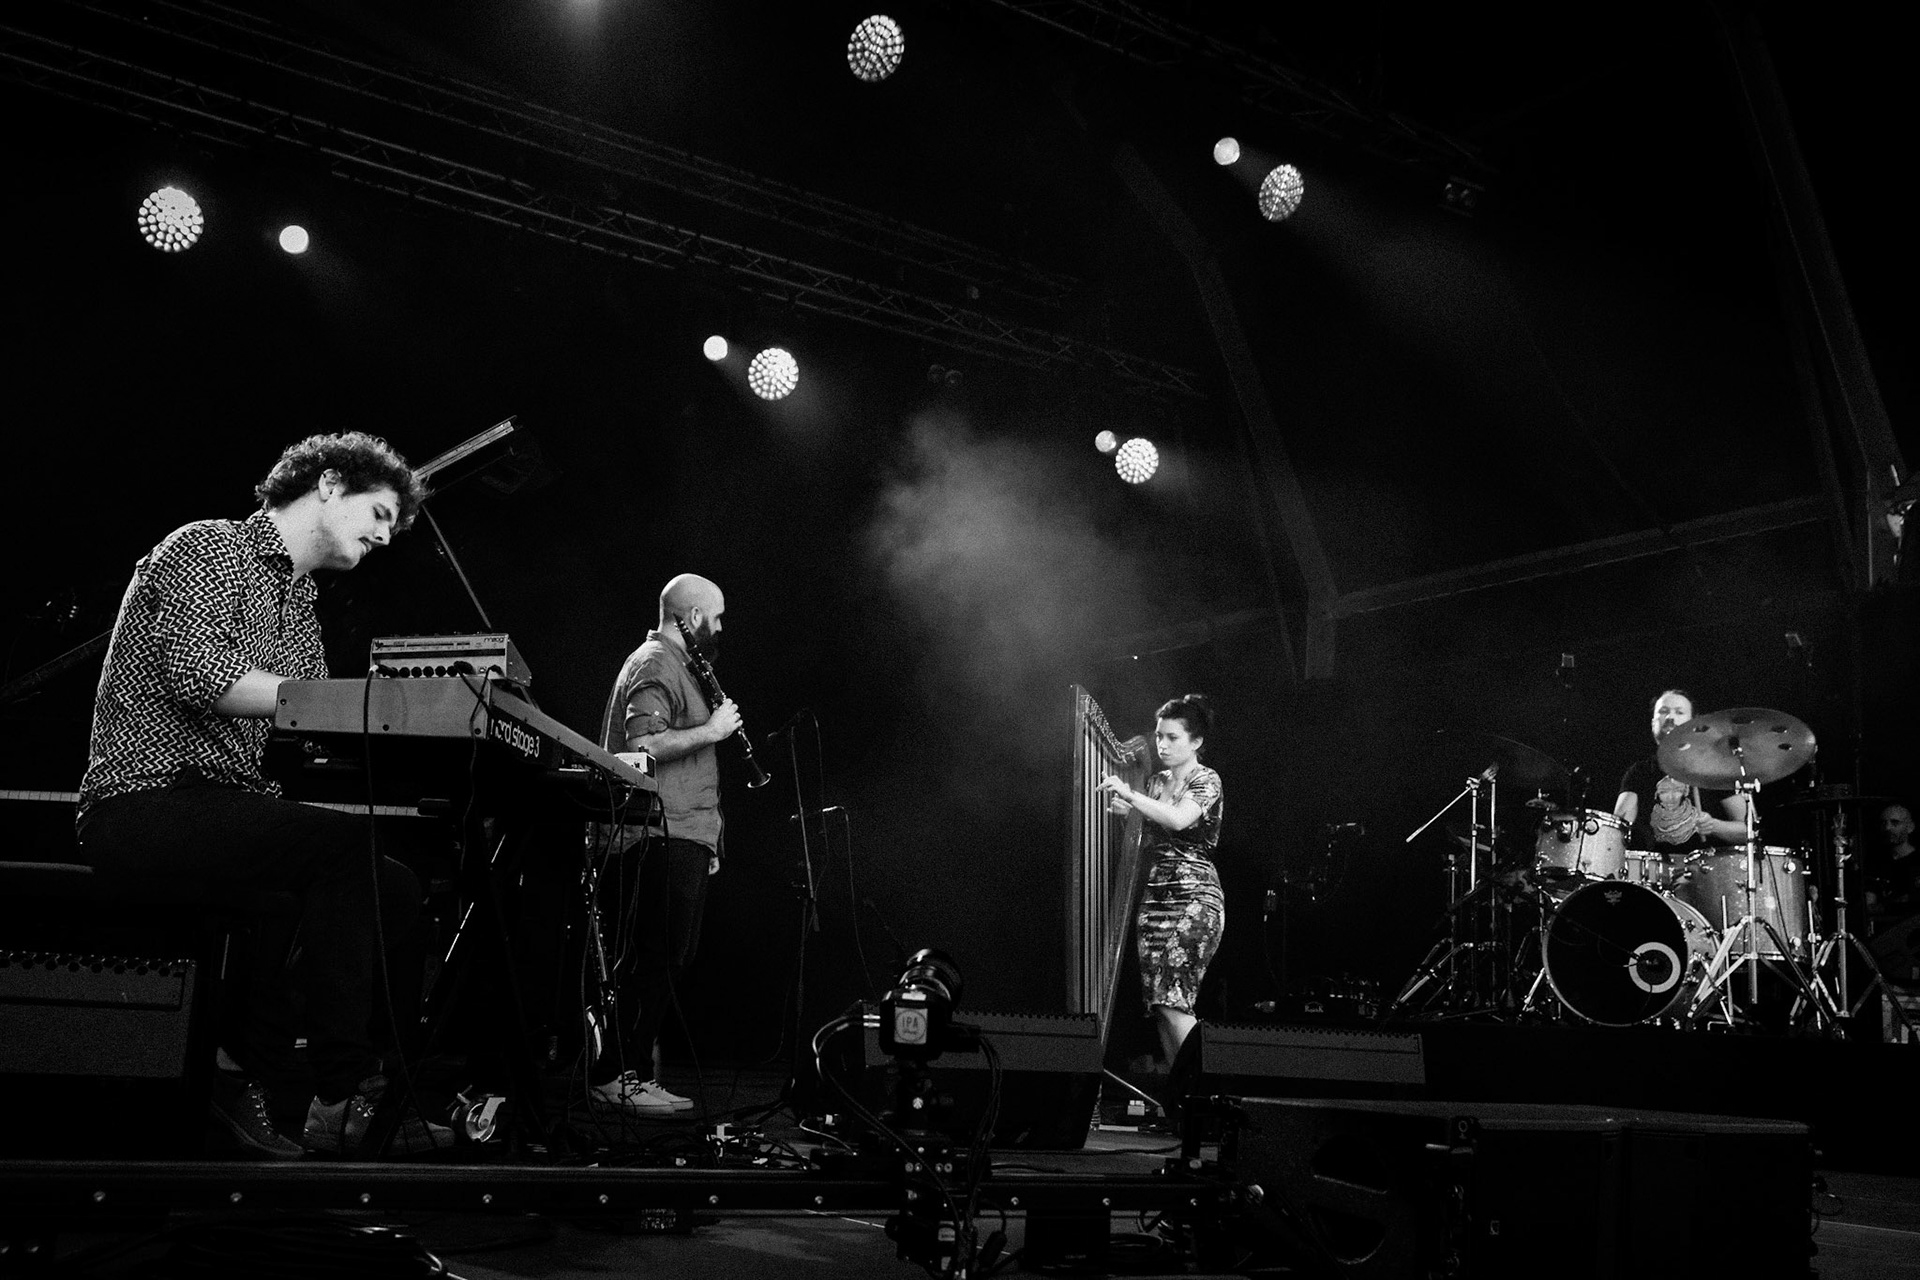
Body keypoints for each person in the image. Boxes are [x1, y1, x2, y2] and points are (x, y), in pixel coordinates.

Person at [75, 432, 437, 1159]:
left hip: (222, 805)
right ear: (330, 484)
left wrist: (437, 726)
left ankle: (252, 1059)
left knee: (394, 890)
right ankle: (337, 1093)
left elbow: (310, 724)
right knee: (340, 850)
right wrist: (373, 704)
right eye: (382, 512)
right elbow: (203, 677)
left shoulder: (300, 603)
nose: (385, 535)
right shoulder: (208, 549)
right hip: (143, 803)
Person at [588, 573, 742, 1116]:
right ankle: (614, 1077)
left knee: (672, 954)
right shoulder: (655, 664)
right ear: (694, 617)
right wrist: (714, 731)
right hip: (654, 834)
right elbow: (643, 745)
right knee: (656, 954)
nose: (721, 627)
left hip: (684, 833)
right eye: (716, 617)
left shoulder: (685, 669)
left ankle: (624, 1074)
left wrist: (710, 837)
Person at [1097, 694, 1225, 1069]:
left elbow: (1179, 819)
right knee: (1161, 1006)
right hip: (1155, 901)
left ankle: (1201, 1087)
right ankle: (1181, 1098)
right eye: (1159, 736)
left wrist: (1131, 796)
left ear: (1196, 742)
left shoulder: (1206, 779)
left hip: (1194, 898)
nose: (1162, 745)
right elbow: (1150, 835)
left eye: (1172, 737)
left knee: (1174, 999)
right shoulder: (1155, 783)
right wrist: (1128, 812)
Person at [1613, 689, 1752, 857]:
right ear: (1653, 723)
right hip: (1650, 872)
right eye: (1664, 712)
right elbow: (1617, 828)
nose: (1670, 717)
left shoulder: (1714, 770)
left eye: (1679, 712)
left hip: (1704, 871)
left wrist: (1714, 826)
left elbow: (1748, 831)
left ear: (1693, 724)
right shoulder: (1640, 772)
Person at [1865, 803, 1920, 918]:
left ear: (1910, 827)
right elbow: (1868, 906)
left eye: (1895, 822)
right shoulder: (1877, 863)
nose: (1887, 828)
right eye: (1884, 823)